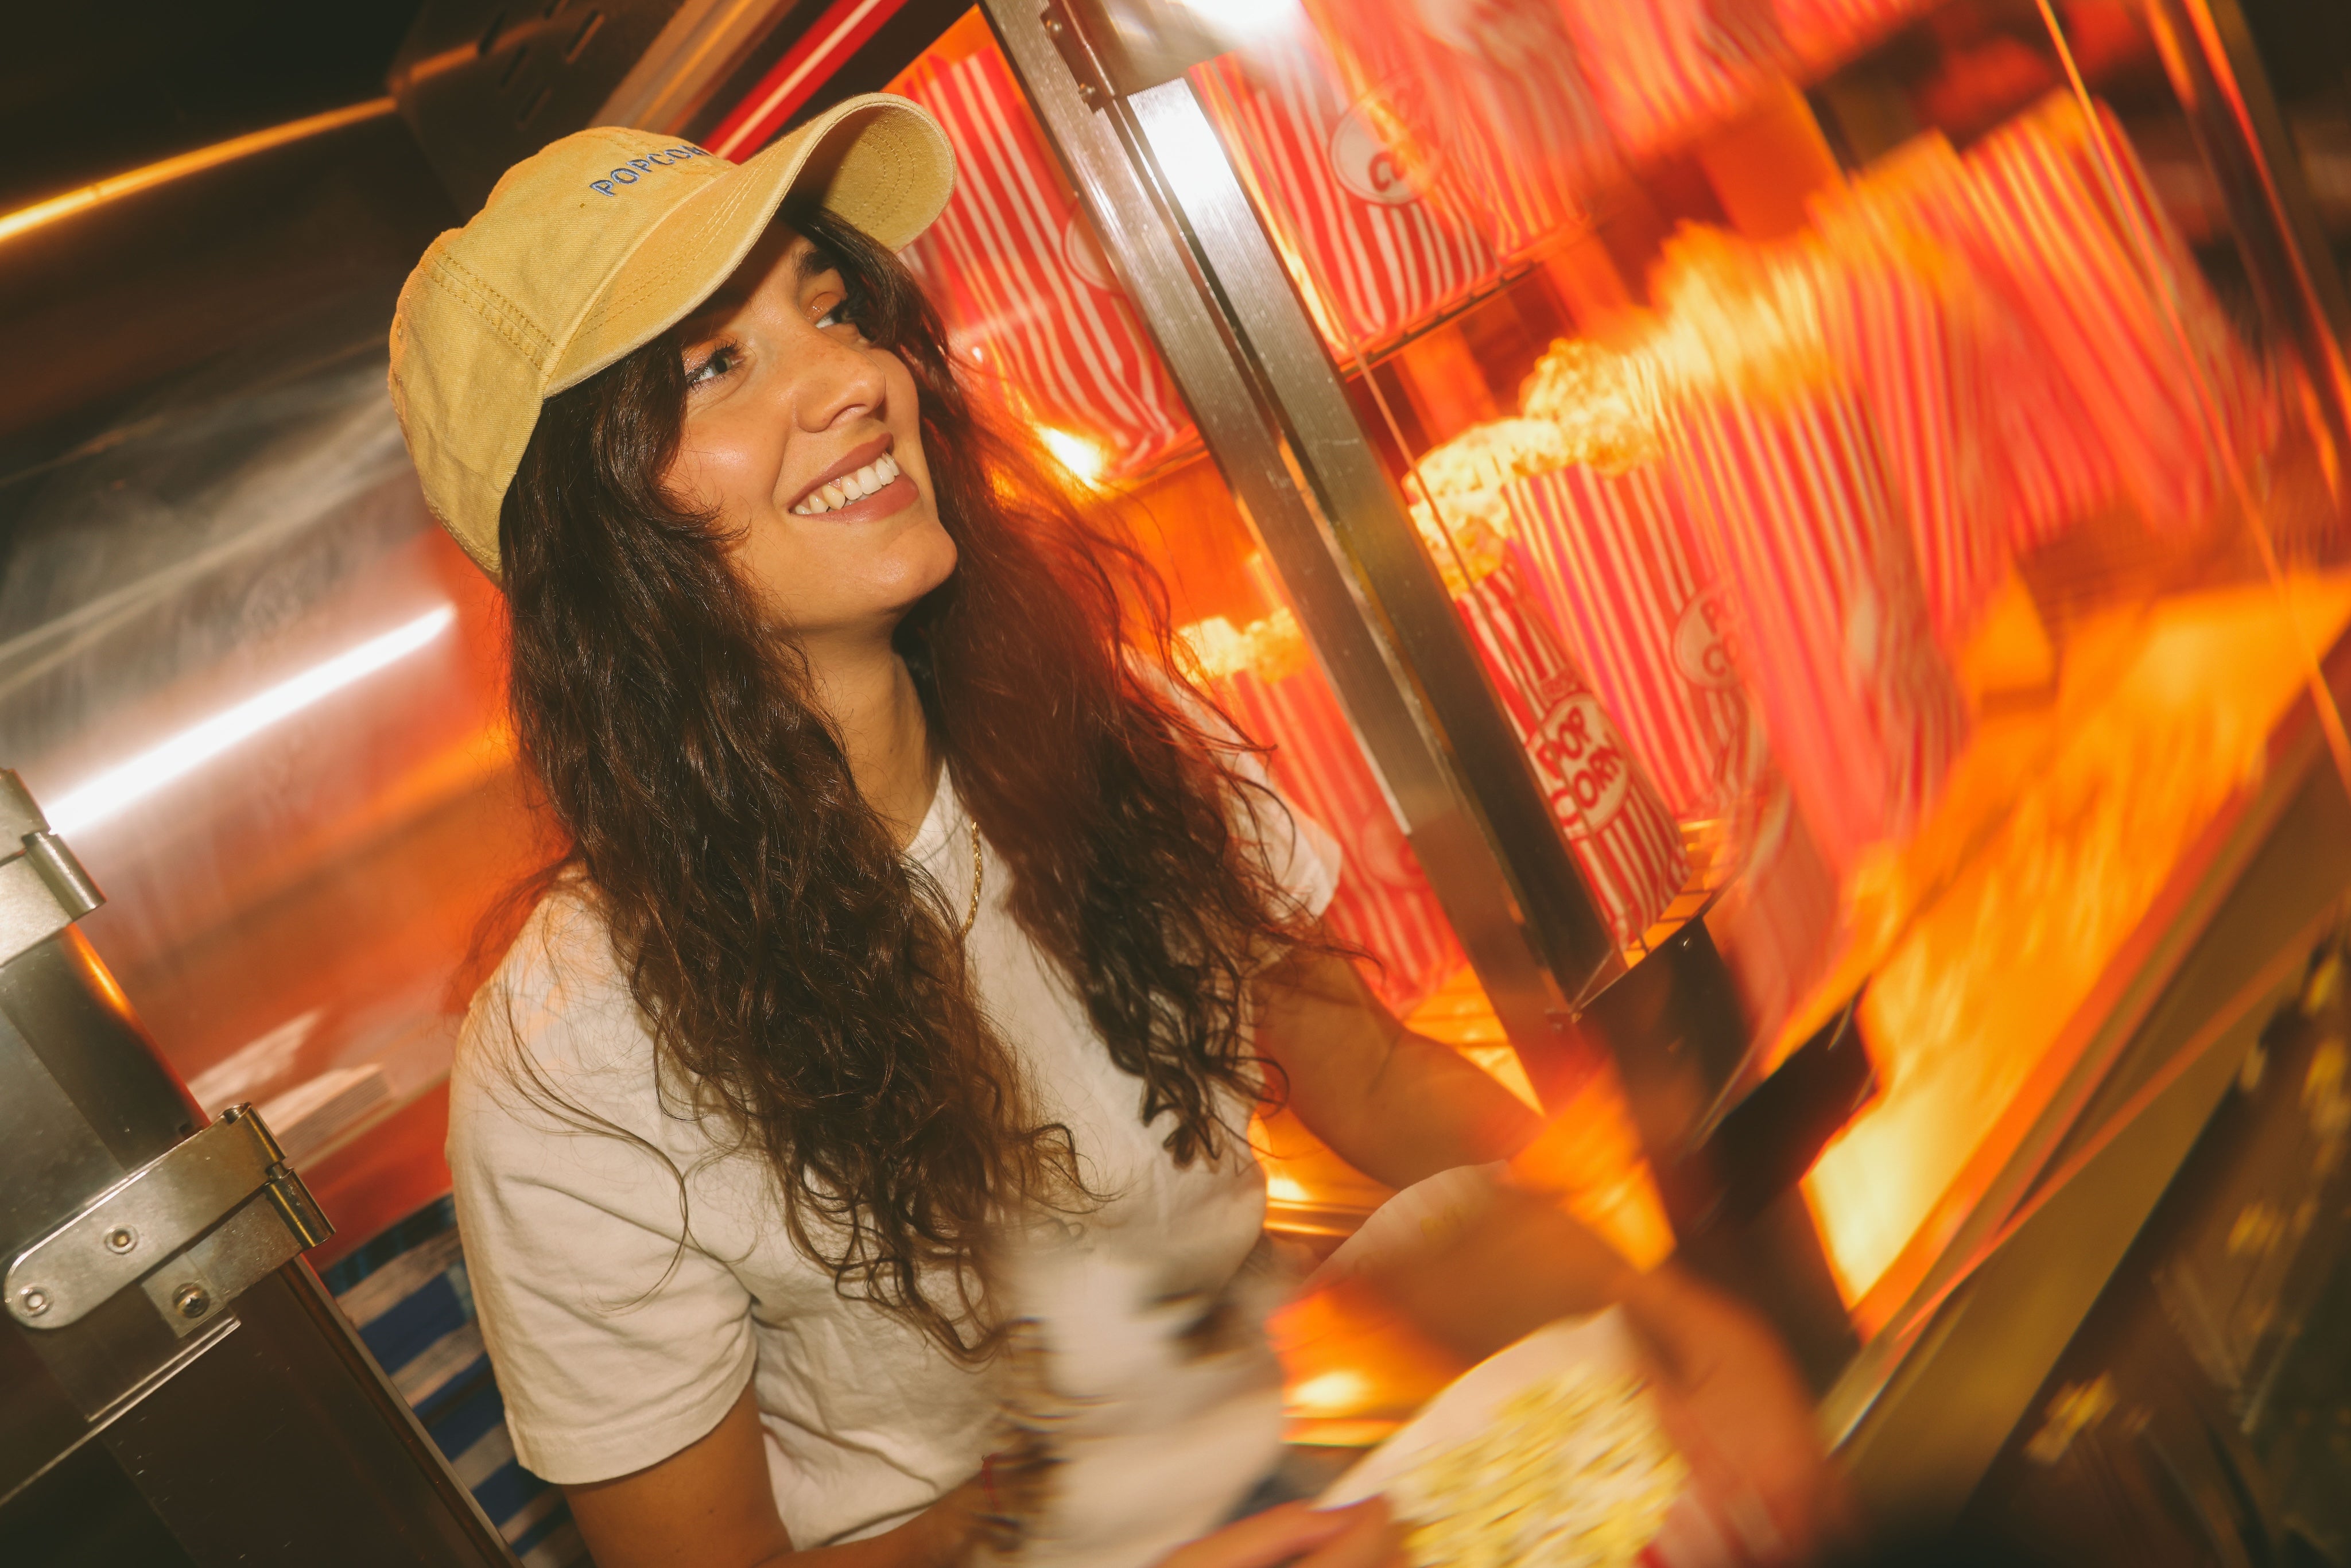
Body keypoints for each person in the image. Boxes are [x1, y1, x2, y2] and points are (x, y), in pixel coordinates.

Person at [387, 94, 1831, 1568]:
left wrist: (1649, 1304)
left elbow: (1372, 1074)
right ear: (595, 540)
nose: (850, 380)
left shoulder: (1088, 720)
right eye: (717, 364)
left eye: (832, 309)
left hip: (1272, 1454)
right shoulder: (574, 1063)